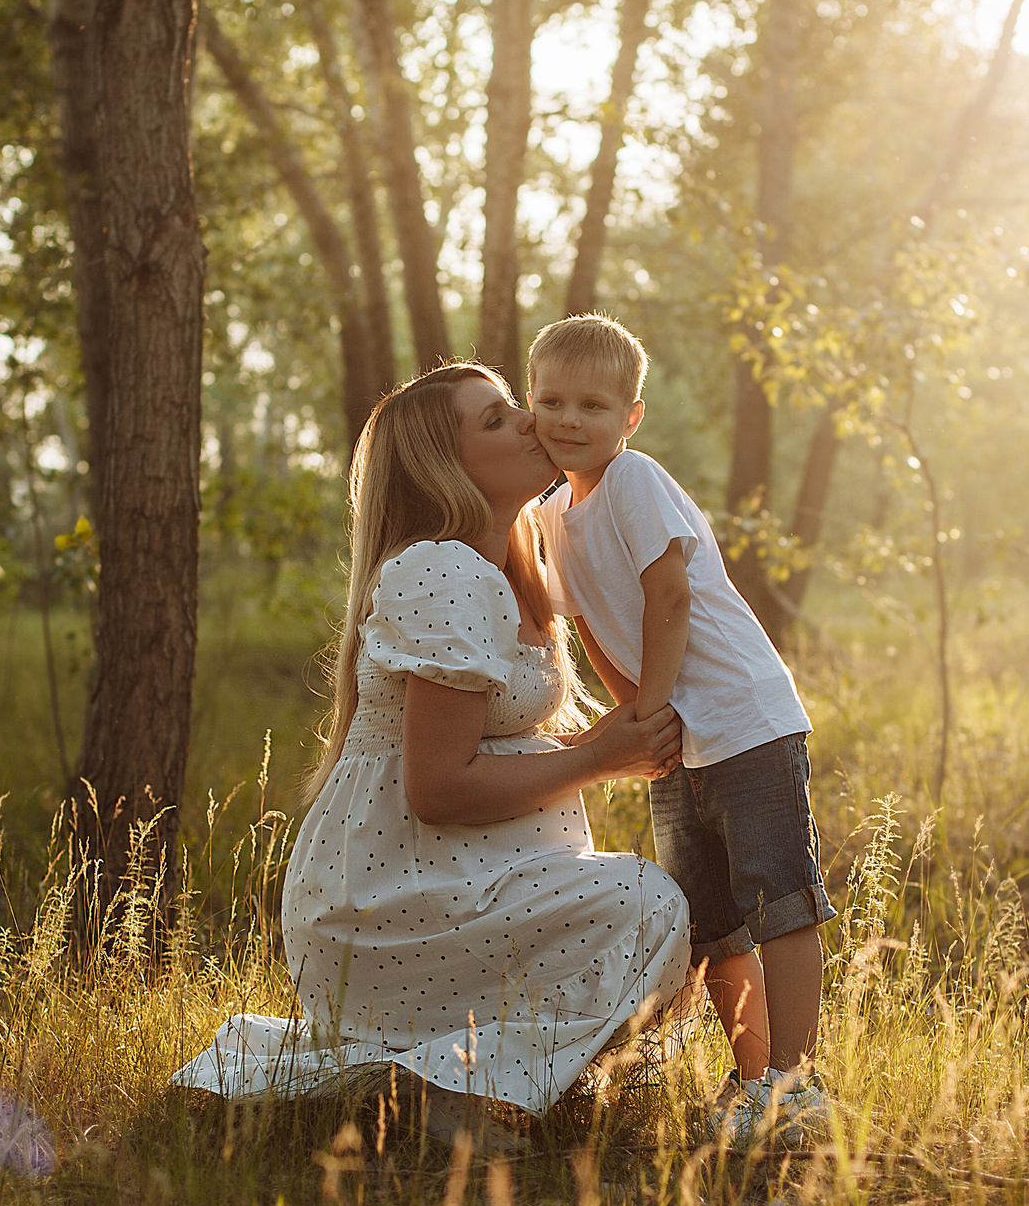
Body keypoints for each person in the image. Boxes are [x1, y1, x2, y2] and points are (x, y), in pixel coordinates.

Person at [172, 363, 695, 1146]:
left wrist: (616, 742)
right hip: (395, 897)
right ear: (440, 466)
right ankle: (438, 1092)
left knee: (657, 909)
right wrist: (596, 758)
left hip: (460, 883)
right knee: (649, 907)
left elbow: (492, 741)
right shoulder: (441, 569)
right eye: (494, 419)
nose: (529, 421)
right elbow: (440, 787)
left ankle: (446, 1080)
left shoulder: (505, 571)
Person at [528, 314, 836, 1148]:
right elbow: (588, 618)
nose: (569, 418)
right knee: (708, 921)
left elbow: (669, 594)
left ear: (629, 417)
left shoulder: (634, 482)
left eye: (592, 405)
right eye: (551, 399)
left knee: (778, 897)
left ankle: (799, 1084)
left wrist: (652, 703)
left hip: (741, 717)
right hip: (677, 735)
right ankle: (752, 1082)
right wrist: (631, 710)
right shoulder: (553, 512)